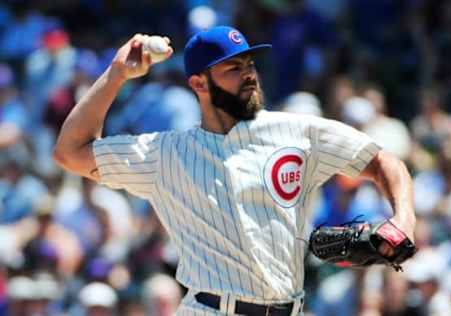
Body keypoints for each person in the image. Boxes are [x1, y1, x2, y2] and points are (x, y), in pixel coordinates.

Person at [53, 26, 416, 315]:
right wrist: (116, 76)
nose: (248, 75)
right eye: (233, 68)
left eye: (249, 64)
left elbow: (383, 161)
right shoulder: (164, 154)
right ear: (198, 84)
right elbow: (71, 152)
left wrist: (403, 219)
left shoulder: (299, 132)